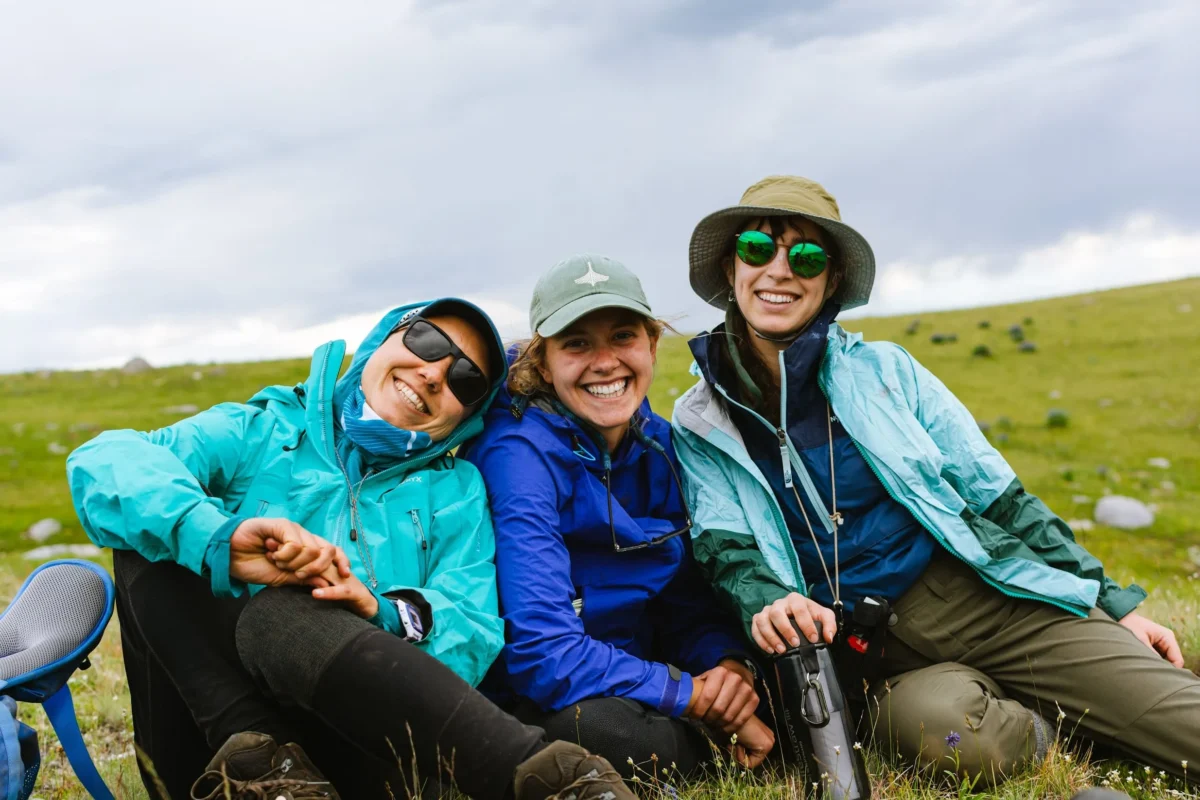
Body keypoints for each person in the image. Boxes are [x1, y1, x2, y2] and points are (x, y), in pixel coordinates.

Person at [670, 176, 1200, 783]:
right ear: (732, 266)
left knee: (1185, 724)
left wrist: (1111, 602)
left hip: (984, 600)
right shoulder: (699, 420)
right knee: (958, 745)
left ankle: (1099, 694)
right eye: (759, 250)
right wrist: (768, 602)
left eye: (808, 255)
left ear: (832, 280)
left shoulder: (889, 371)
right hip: (873, 661)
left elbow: (1000, 498)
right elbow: (725, 547)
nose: (781, 270)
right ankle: (1056, 720)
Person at [67, 298, 636, 800]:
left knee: (289, 608)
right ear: (387, 335)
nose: (435, 373)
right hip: (203, 755)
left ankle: (547, 780)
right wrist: (219, 536)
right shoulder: (263, 430)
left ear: (467, 416)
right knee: (150, 527)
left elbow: (475, 631)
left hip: (370, 749)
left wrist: (380, 610)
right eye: (427, 340)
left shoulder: (457, 492)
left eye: (465, 379)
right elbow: (105, 461)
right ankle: (536, 776)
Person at [462, 255, 775, 780]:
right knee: (614, 736)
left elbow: (683, 598)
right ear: (543, 363)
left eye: (623, 336)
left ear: (651, 345)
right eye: (577, 343)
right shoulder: (518, 455)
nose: (605, 362)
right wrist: (692, 696)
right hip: (537, 696)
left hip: (636, 674)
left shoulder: (660, 445)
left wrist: (727, 669)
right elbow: (543, 653)